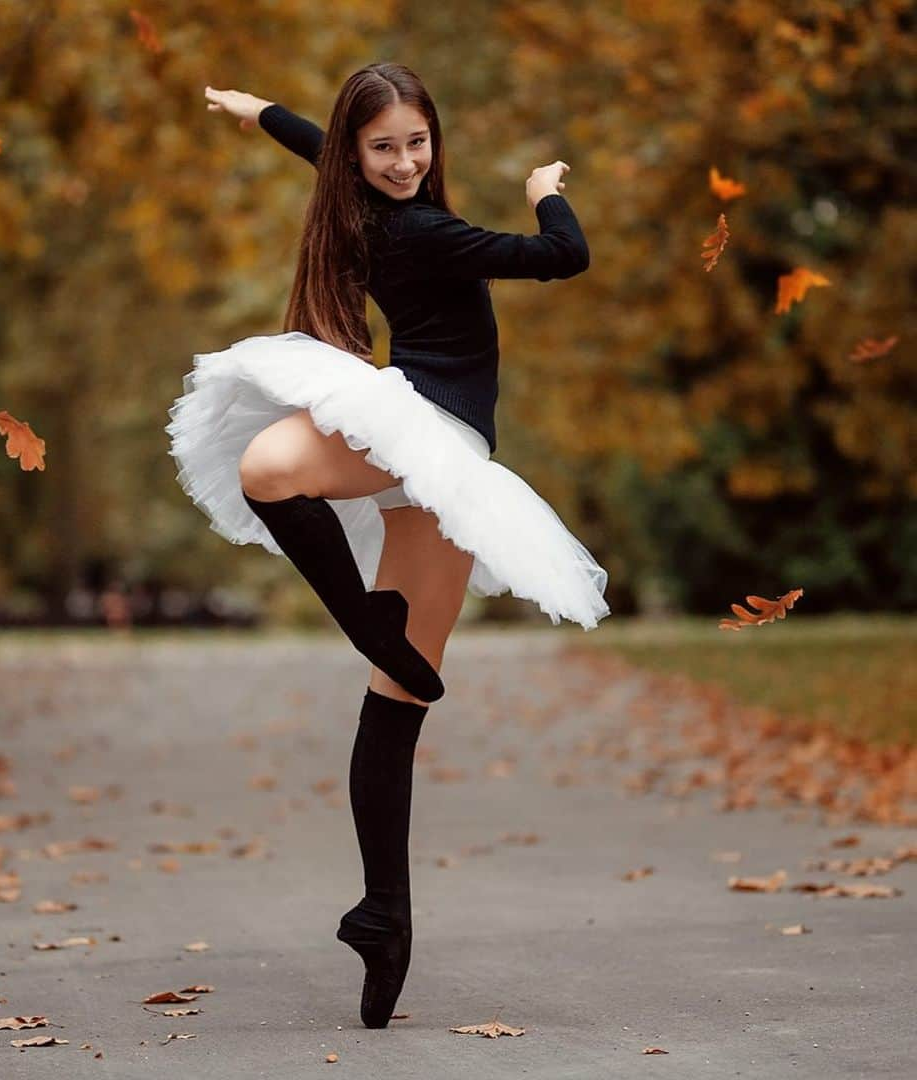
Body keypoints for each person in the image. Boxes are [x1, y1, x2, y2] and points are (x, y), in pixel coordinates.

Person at [166, 61, 610, 1029]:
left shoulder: (369, 202)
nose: (405, 161)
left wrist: (260, 113)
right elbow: (561, 257)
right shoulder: (422, 229)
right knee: (270, 467)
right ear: (359, 156)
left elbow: (319, 150)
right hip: (430, 429)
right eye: (384, 147)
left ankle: (384, 915)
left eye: (417, 142)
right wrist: (547, 196)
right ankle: (366, 617)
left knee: (400, 697)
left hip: (443, 459)